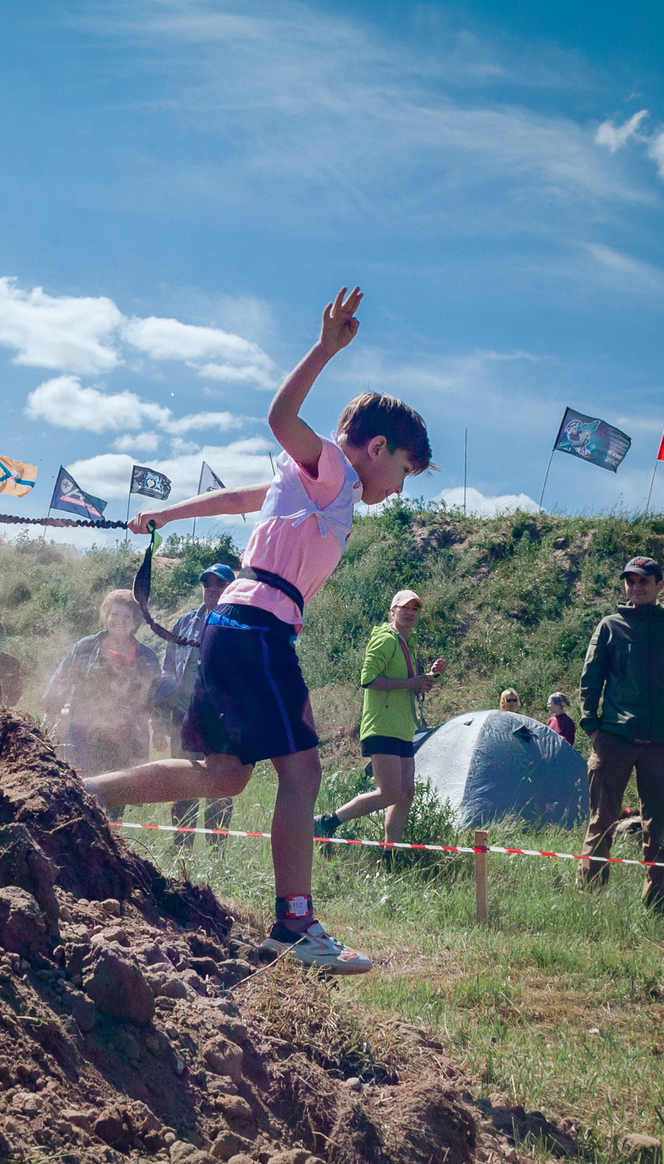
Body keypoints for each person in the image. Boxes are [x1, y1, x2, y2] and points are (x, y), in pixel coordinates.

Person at [81, 288, 432, 975]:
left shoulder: (310, 481)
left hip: (234, 625)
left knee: (223, 774)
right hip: (260, 626)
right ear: (378, 449)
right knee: (301, 769)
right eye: (404, 470)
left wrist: (167, 516)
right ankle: (296, 924)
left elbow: (243, 499)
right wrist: (326, 349)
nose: (401, 485)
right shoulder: (333, 467)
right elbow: (279, 415)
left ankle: (88, 791)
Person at [575, 556, 664, 915]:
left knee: (658, 828)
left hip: (661, 744)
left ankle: (656, 909)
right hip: (614, 739)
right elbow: (589, 680)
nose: (636, 588)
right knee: (602, 820)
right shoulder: (609, 626)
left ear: (659, 585)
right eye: (630, 582)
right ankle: (589, 902)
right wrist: (592, 727)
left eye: (644, 581)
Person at [317, 589, 444, 855]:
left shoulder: (407, 642)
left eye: (415, 609)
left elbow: (411, 686)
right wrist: (410, 683)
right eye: (404, 608)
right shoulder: (386, 639)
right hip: (382, 726)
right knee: (389, 793)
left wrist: (431, 677)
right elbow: (368, 679)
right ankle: (326, 823)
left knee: (405, 793)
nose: (410, 613)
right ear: (392, 611)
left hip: (402, 728)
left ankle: (389, 857)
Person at [156, 565, 239, 843]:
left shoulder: (241, 623)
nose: (213, 589)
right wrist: (162, 713)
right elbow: (168, 667)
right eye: (208, 583)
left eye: (220, 584)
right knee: (181, 784)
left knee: (220, 785)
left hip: (223, 723)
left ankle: (217, 852)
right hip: (183, 717)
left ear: (232, 588)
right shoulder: (185, 622)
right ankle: (182, 849)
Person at [43, 590, 163, 775]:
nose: (120, 620)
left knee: (117, 794)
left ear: (135, 622)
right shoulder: (86, 647)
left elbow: (156, 697)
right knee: (80, 792)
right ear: (106, 616)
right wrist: (50, 714)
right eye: (115, 614)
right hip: (84, 738)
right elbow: (62, 679)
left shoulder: (147, 657)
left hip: (127, 741)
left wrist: (159, 727)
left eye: (127, 616)